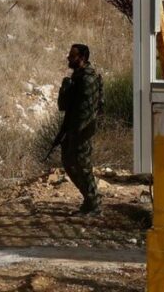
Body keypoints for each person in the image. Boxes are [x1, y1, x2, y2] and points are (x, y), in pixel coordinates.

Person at [57, 43, 104, 215]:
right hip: (74, 129)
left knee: (82, 166)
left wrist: (75, 134)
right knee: (69, 163)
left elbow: (85, 111)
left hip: (82, 131)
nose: (69, 58)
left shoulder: (87, 79)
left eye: (72, 55)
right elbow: (63, 106)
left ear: (82, 58)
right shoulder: (77, 77)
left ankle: (94, 203)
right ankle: (90, 199)